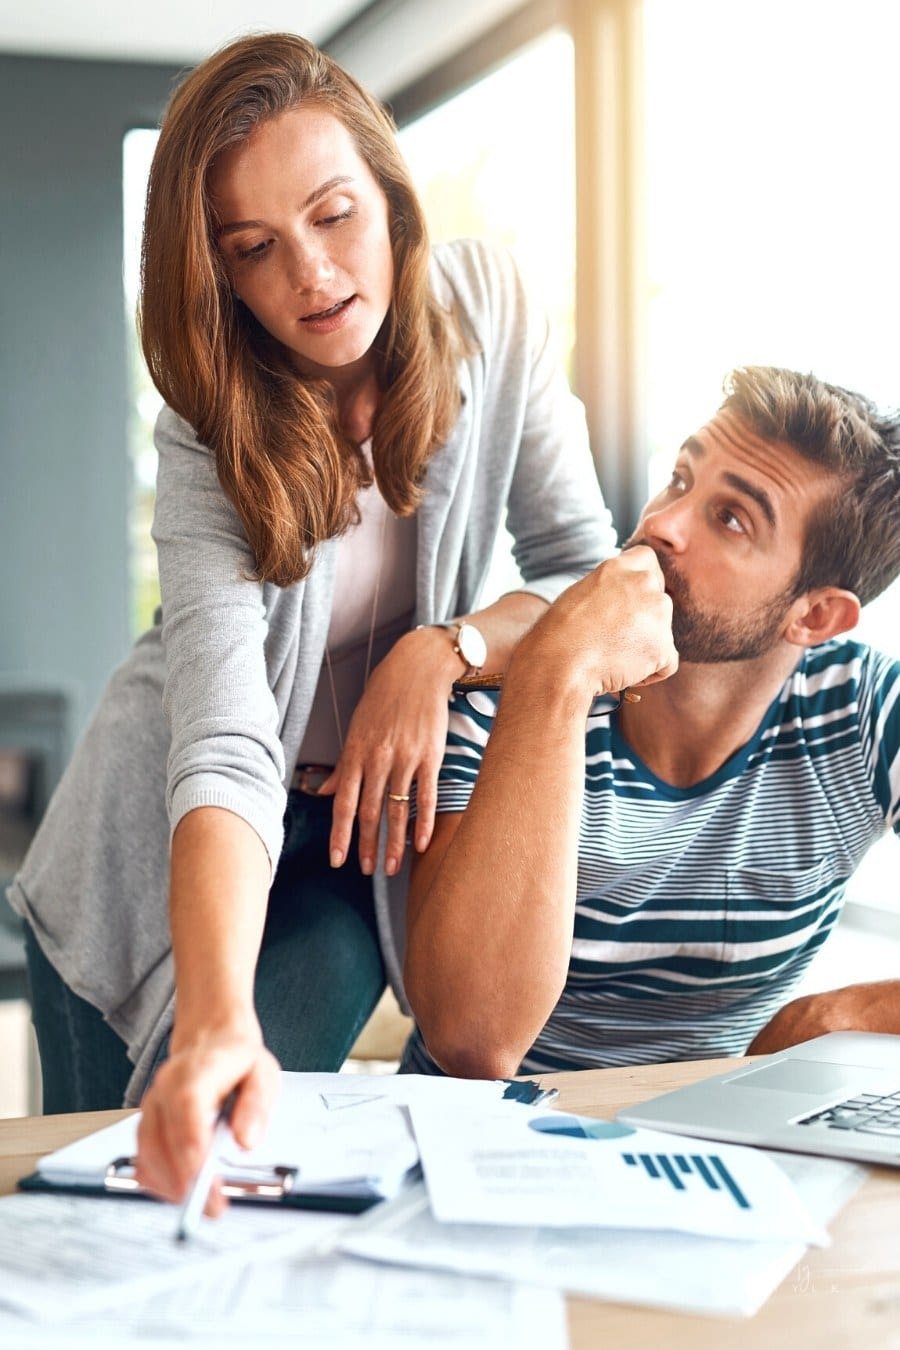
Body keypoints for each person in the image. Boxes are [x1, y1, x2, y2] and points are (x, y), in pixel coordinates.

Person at [7, 33, 615, 1204]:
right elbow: (228, 736)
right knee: (119, 1188)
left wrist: (445, 655)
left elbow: (584, 573)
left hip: (351, 843)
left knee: (259, 1160)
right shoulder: (208, 419)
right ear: (220, 274)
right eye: (255, 249)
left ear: (389, 196)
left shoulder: (492, 310)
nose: (312, 276)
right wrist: (214, 1019)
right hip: (148, 849)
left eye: (335, 216)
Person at [402, 366, 900, 1081]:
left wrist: (838, 1017)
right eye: (679, 479)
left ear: (815, 615)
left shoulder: (867, 714)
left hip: (709, 1146)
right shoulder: (502, 690)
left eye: (730, 518)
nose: (660, 524)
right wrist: (558, 675)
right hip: (485, 1145)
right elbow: (473, 1040)